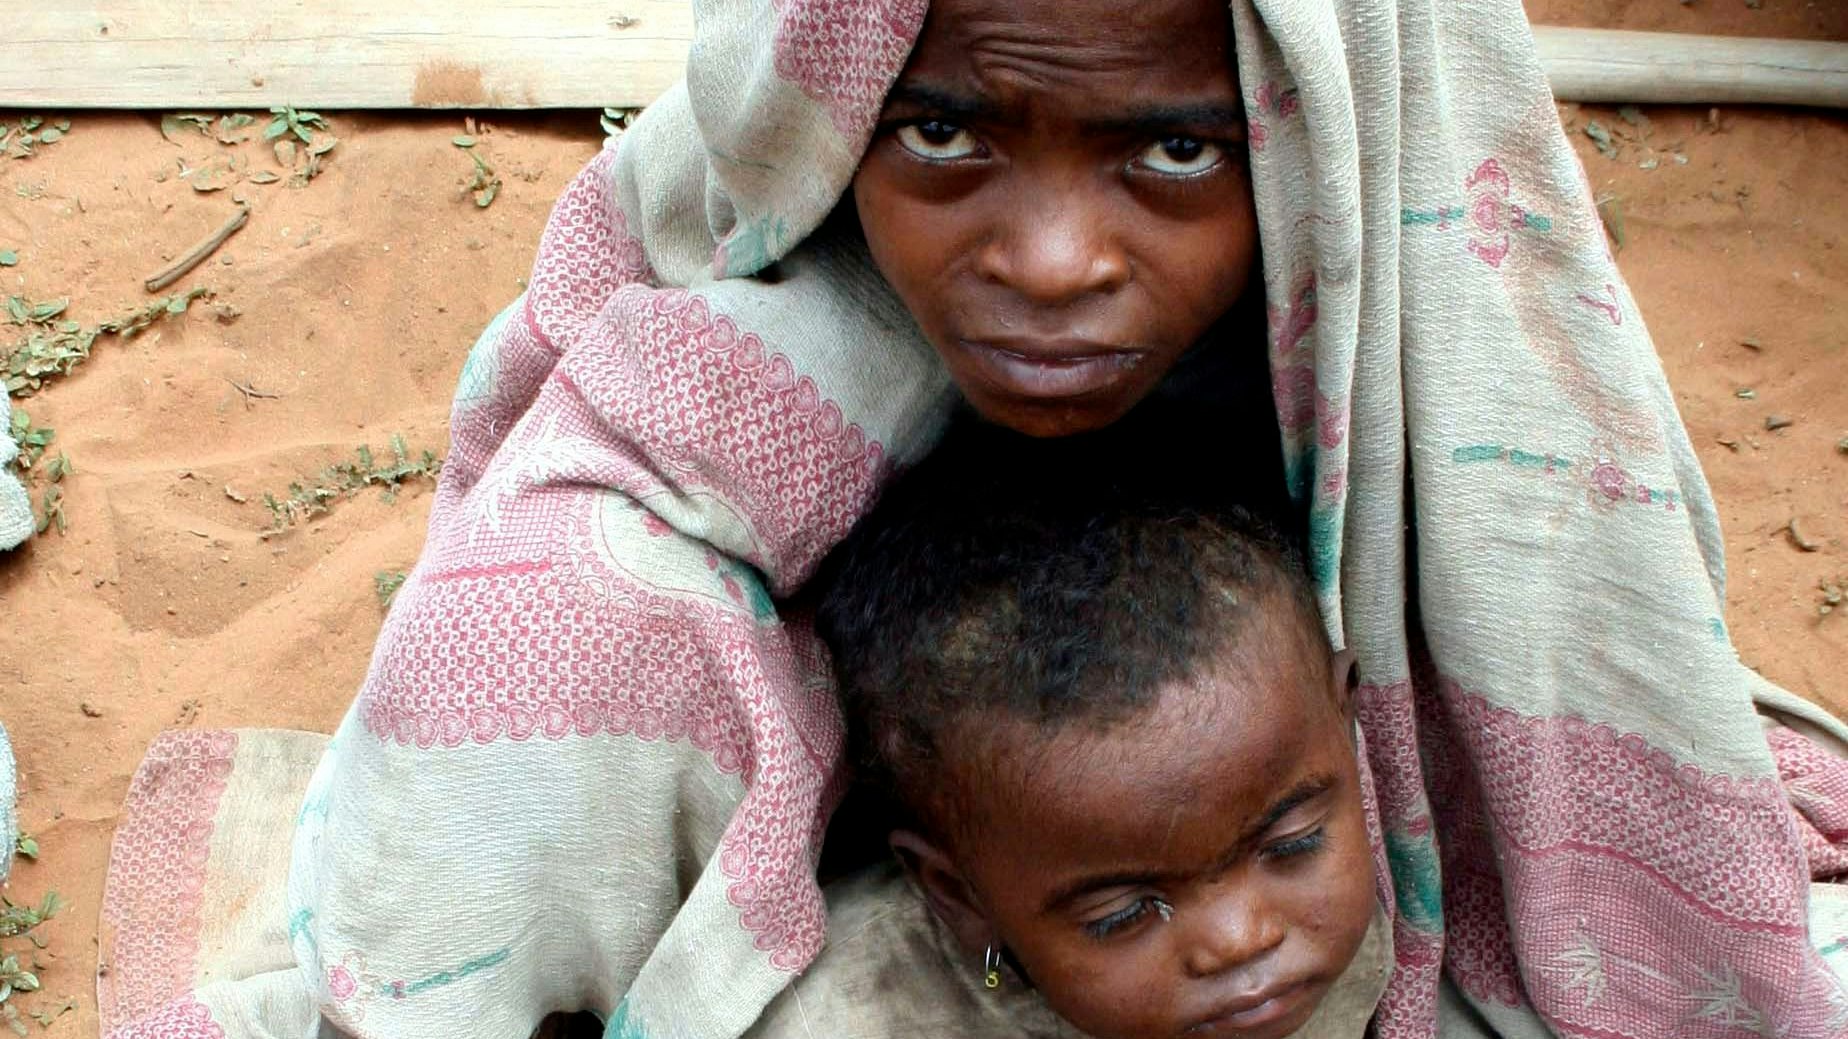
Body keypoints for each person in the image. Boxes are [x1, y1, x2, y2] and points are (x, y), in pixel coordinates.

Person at [96, 0, 1848, 1037]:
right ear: (834, 104)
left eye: (1172, 153)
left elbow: (1578, 679)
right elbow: (495, 747)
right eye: (940, 131)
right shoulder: (719, 366)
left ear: (1309, 132)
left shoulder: (1439, 332)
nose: (1050, 261)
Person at [754, 415, 1390, 1039]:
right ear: (960, 895)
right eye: (1124, 915)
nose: (1240, 940)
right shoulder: (845, 1016)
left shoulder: (1399, 931)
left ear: (1346, 722)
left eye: (1294, 845)